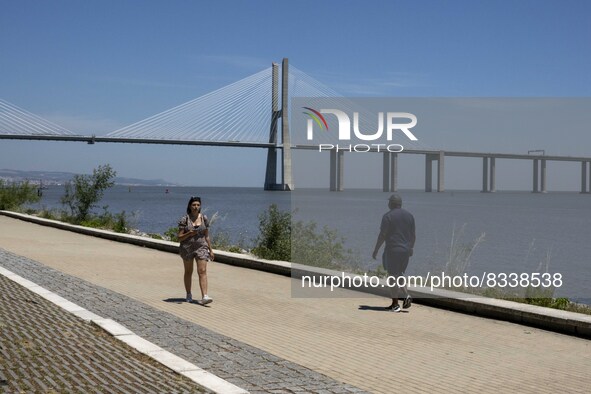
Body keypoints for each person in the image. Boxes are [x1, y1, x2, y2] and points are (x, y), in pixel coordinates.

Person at [372, 193, 416, 313]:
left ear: (391, 204)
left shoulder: (387, 216)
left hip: (393, 250)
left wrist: (376, 249)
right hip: (405, 251)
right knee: (399, 274)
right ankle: (406, 295)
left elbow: (383, 235)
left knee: (392, 276)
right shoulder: (410, 216)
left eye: (389, 202)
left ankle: (395, 304)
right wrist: (411, 248)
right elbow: (413, 236)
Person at [178, 196, 214, 305]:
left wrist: (211, 250)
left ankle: (205, 296)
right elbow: (179, 237)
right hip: (187, 248)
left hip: (201, 247)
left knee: (202, 271)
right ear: (190, 206)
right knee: (188, 272)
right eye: (194, 205)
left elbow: (206, 236)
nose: (196, 207)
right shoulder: (185, 219)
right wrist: (189, 233)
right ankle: (188, 294)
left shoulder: (204, 218)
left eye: (198, 205)